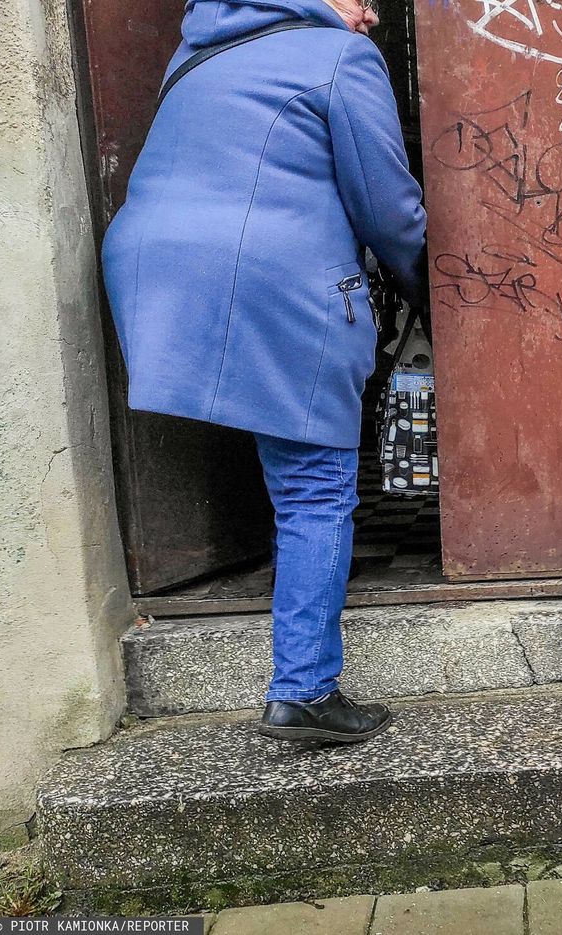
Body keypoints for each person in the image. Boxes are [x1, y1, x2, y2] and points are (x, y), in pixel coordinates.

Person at [101, 0, 426, 743]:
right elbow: (389, 212)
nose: (371, 12)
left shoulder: (196, 56)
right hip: (264, 272)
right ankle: (305, 691)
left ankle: (296, 629)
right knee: (315, 482)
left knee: (281, 436)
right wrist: (438, 301)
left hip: (154, 271)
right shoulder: (338, 58)